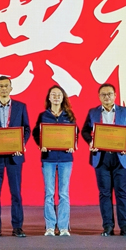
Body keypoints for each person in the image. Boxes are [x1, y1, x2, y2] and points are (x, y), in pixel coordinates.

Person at [81, 83, 126, 237]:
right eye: (103, 95)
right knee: (104, 193)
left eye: (109, 94)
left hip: (121, 157)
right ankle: (107, 226)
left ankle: (125, 227)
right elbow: (85, 130)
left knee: (121, 193)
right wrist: (90, 142)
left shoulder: (125, 112)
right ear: (99, 97)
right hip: (101, 158)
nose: (107, 97)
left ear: (115, 95)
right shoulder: (93, 112)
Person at [0, 76, 30, 238]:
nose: (3, 88)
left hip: (14, 157)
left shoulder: (20, 107)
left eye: (6, 86)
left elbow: (26, 129)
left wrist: (21, 144)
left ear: (11, 88)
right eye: (0, 86)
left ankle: (17, 227)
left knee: (16, 193)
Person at [32, 85, 76, 236]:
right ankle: (50, 226)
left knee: (64, 193)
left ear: (63, 98)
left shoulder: (69, 115)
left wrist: (73, 145)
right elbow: (36, 133)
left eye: (59, 95)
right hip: (48, 159)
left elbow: (74, 134)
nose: (56, 97)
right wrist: (41, 145)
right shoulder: (43, 116)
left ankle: (63, 227)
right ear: (49, 98)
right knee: (49, 193)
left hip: (65, 158)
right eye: (53, 94)